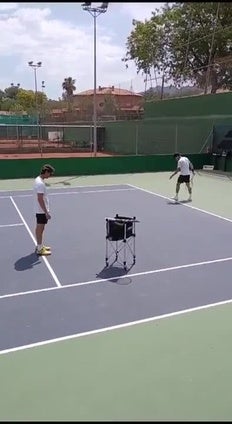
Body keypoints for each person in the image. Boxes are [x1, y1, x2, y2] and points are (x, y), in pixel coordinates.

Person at [33, 164, 55, 255]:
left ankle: (40, 246)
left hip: (40, 210)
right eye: (49, 174)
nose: (50, 176)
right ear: (46, 172)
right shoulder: (40, 183)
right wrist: (46, 212)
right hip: (41, 211)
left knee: (41, 228)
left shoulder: (38, 180)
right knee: (40, 228)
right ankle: (39, 248)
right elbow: (40, 198)